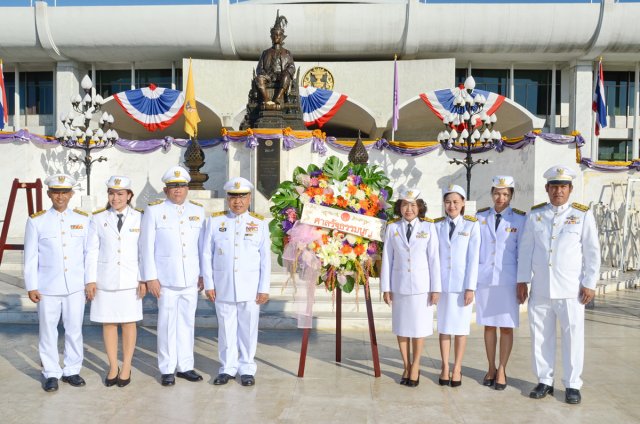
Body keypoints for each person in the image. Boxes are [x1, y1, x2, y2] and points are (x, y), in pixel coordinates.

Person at [517, 165, 600, 405]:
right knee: (541, 336)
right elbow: (526, 250)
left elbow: (592, 251)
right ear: (547, 188)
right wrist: (522, 280)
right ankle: (544, 380)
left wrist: (589, 282)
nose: (558, 191)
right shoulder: (536, 215)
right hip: (542, 289)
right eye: (554, 186)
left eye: (563, 186)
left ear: (570, 189)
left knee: (573, 338)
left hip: (571, 290)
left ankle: (573, 384)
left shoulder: (582, 215)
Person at [139, 165, 206, 386]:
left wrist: (203, 274)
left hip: (191, 278)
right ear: (165, 189)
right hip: (165, 279)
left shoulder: (198, 211)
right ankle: (167, 368)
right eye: (173, 186)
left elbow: (202, 247)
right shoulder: (154, 211)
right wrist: (150, 277)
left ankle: (185, 366)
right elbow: (146, 246)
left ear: (187, 189)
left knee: (187, 323)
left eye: (181, 186)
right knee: (167, 324)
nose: (177, 190)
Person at [23, 173, 90, 392]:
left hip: (75, 286)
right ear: (49, 194)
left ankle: (72, 370)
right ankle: (51, 372)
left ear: (71, 194)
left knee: (74, 329)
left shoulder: (82, 220)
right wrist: (32, 285)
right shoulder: (37, 221)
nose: (60, 196)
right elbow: (30, 256)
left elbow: (89, 254)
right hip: (47, 287)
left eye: (64, 192)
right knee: (48, 331)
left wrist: (89, 281)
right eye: (56, 192)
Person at [202, 177, 271, 387]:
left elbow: (265, 258)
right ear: (227, 198)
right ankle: (227, 368)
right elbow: (206, 254)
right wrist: (209, 284)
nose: (237, 201)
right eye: (233, 197)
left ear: (249, 198)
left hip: (250, 287)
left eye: (242, 197)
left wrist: (264, 287)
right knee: (225, 329)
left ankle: (247, 368)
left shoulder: (259, 223)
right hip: (223, 286)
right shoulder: (215, 221)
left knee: (248, 330)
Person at [85, 176, 146, 387]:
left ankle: (126, 365)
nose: (115, 198)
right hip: (105, 279)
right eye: (111, 193)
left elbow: (144, 251)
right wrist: (90, 280)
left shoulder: (140, 218)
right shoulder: (98, 218)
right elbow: (91, 251)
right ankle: (113, 366)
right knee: (108, 323)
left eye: (120, 194)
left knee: (129, 322)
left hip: (131, 280)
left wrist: (143, 278)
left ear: (129, 196)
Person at [380, 188, 441, 387]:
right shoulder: (392, 228)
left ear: (419, 207)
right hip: (399, 286)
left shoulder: (428, 227)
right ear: (400, 207)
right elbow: (387, 259)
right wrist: (386, 288)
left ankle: (416, 365)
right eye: (405, 205)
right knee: (402, 328)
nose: (409, 209)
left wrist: (436, 288)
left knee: (419, 328)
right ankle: (406, 365)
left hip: (422, 287)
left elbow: (434, 259)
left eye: (413, 205)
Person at [475, 176, 526, 391]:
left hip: (507, 280)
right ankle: (490, 367)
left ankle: (502, 369)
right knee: (488, 326)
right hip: (485, 279)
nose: (500, 198)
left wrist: (522, 281)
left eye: (505, 194)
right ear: (491, 193)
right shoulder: (479, 217)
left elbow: (523, 253)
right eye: (497, 193)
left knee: (506, 327)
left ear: (511, 196)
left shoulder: (520, 219)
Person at [434, 184, 480, 387]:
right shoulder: (436, 226)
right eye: (448, 202)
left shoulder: (471, 225)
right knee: (444, 328)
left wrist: (470, 287)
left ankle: (458, 367)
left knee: (460, 329)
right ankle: (445, 367)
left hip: (462, 286)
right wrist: (434, 286)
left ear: (463, 203)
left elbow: (473, 259)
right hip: (443, 286)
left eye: (455, 202)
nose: (451, 206)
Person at [254, 13, 296, 108]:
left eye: (279, 35)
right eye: (274, 35)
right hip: (268, 76)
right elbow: (259, 68)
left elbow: (292, 67)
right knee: (259, 78)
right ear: (271, 37)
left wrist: (286, 72)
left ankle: (278, 97)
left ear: (282, 37)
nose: (277, 37)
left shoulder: (287, 53)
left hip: (281, 76)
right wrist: (265, 74)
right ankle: (266, 99)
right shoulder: (265, 53)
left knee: (286, 76)